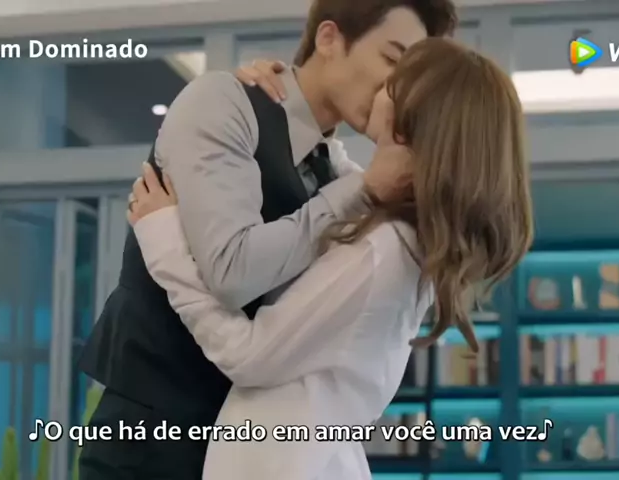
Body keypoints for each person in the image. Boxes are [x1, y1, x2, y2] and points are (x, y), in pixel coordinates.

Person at [77, 1, 458, 478]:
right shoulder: (224, 103)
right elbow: (232, 273)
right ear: (328, 39)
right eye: (391, 59)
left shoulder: (338, 171)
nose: (395, 88)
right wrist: (360, 191)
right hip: (150, 440)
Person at [127, 37, 533, 480]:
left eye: (395, 77)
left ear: (413, 115)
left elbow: (247, 354)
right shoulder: (405, 241)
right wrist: (291, 102)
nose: (381, 84)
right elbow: (348, 179)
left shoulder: (383, 251)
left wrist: (165, 244)